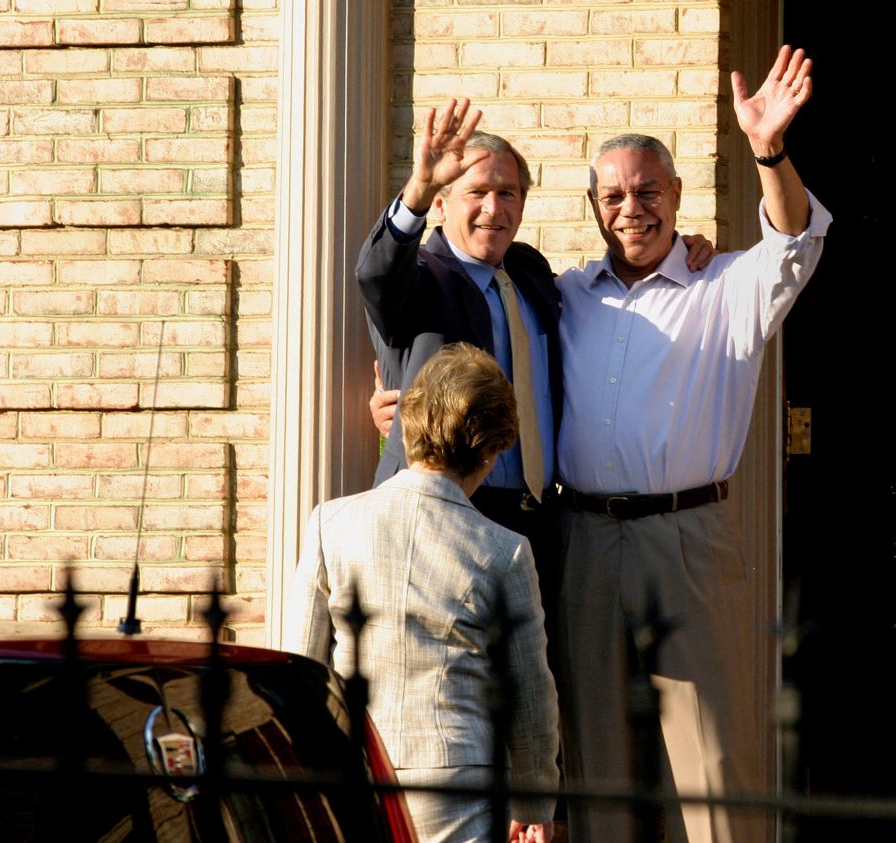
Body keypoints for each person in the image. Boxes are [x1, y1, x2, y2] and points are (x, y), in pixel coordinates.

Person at [553, 45, 830, 843]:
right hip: (586, 538)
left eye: (647, 190)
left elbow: (795, 239)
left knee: (710, 764)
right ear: (594, 206)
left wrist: (768, 150)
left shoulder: (728, 285)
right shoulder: (566, 291)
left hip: (688, 537)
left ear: (676, 195)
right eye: (614, 195)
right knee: (595, 761)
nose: (631, 207)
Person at [288, 343, 561, 843]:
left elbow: (300, 670)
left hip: (355, 769)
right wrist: (536, 800)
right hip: (456, 781)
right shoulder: (506, 551)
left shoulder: (331, 523)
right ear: (491, 449)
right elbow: (529, 692)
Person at [356, 103, 564, 551]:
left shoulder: (530, 272)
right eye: (478, 192)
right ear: (441, 202)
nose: (494, 208)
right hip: (439, 521)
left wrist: (679, 249)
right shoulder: (419, 279)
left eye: (508, 193)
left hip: (539, 522)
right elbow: (375, 274)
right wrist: (416, 189)